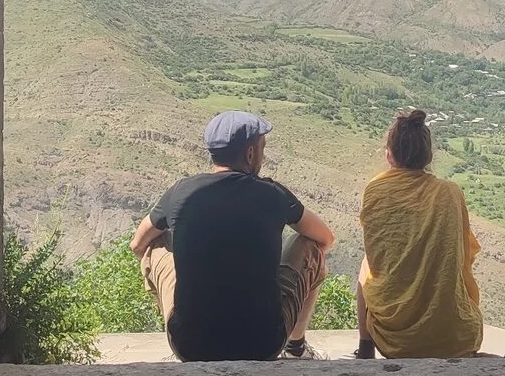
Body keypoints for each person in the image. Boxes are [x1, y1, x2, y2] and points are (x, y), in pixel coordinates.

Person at [130, 110, 336, 361]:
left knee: (154, 244)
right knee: (311, 246)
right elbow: (325, 238)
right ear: (250, 154)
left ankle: (185, 321)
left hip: (189, 347)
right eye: (262, 148)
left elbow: (137, 244)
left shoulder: (181, 192)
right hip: (263, 345)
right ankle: (295, 348)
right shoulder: (272, 194)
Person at [355, 108, 484, 359]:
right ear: (428, 155)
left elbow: (378, 252)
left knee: (366, 264)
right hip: (456, 337)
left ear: (389, 154)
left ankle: (365, 347)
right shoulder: (450, 192)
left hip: (395, 339)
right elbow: (463, 255)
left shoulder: (376, 190)